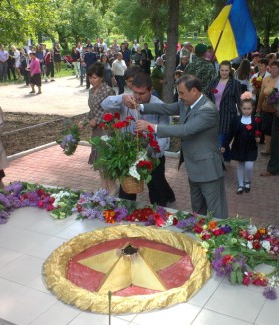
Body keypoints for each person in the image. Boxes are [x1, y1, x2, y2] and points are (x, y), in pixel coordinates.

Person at [134, 75, 228, 219]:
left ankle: (220, 237)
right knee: (197, 208)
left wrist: (151, 127)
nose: (180, 96)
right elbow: (166, 108)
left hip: (208, 168)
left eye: (182, 93)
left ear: (194, 91)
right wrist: (139, 106)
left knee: (216, 212)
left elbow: (185, 130)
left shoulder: (207, 110)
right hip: (193, 167)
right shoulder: (186, 103)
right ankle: (200, 233)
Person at [101, 72, 175, 206]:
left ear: (151, 90)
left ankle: (159, 212)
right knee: (127, 190)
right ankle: (125, 212)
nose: (137, 97)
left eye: (141, 93)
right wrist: (121, 98)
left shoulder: (160, 105)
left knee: (156, 186)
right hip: (128, 154)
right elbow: (104, 105)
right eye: (134, 92)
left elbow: (163, 134)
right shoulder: (125, 100)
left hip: (152, 154)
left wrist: (153, 155)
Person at [80, 62, 118, 195]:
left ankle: (113, 188)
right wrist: (84, 122)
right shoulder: (91, 91)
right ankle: (104, 187)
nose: (92, 80)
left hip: (107, 129)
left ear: (102, 77)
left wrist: (97, 120)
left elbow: (112, 111)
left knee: (107, 160)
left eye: (95, 77)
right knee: (99, 160)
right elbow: (92, 111)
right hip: (96, 131)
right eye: (90, 77)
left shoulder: (108, 91)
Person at [207, 60, 242, 162]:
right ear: (219, 70)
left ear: (230, 70)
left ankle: (218, 162)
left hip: (227, 116)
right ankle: (227, 157)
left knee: (221, 140)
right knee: (219, 140)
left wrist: (243, 115)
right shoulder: (214, 81)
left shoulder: (235, 83)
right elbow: (208, 96)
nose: (224, 72)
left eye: (226, 70)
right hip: (214, 115)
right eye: (222, 70)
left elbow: (239, 100)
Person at [227, 92, 259, 194]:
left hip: (250, 146)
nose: (246, 111)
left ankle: (247, 181)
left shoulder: (255, 120)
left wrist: (258, 136)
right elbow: (230, 133)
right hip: (239, 145)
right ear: (240, 108)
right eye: (244, 109)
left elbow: (258, 131)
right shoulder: (236, 119)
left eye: (248, 109)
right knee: (240, 164)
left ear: (252, 108)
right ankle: (241, 184)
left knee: (249, 165)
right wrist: (225, 144)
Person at [257, 60, 279, 156]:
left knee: (277, 130)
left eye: (275, 68)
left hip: (278, 110)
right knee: (267, 129)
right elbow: (261, 94)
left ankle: (276, 149)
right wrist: (258, 107)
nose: (272, 70)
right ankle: (267, 149)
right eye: (271, 68)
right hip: (266, 108)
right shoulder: (266, 79)